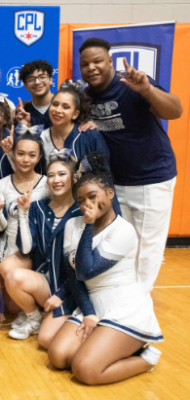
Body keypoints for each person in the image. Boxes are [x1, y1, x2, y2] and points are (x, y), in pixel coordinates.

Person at [47, 153, 163, 385]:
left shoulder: (124, 230)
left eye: (92, 196)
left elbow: (87, 269)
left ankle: (147, 357)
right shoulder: (72, 224)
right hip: (92, 304)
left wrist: (88, 226)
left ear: (110, 194)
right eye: (81, 200)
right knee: (58, 357)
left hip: (124, 308)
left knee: (85, 370)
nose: (86, 205)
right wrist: (89, 312)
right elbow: (75, 278)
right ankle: (110, 348)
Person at [79, 38, 183, 292]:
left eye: (97, 61)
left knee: (147, 247)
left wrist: (147, 89)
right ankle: (121, 295)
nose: (91, 67)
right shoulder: (86, 97)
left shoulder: (132, 84)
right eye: (85, 64)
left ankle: (136, 305)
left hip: (151, 177)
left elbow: (175, 111)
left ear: (110, 61)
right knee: (121, 242)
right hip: (116, 181)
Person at [5, 153, 81, 343]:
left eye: (62, 174)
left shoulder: (82, 210)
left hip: (71, 288)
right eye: (51, 175)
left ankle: (68, 318)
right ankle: (34, 319)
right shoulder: (38, 207)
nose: (56, 180)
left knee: (46, 340)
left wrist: (63, 294)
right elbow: (26, 248)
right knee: (14, 275)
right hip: (46, 282)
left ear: (73, 177)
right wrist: (23, 213)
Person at [0, 133, 49, 312]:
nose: (26, 159)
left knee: (15, 304)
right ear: (12, 154)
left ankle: (34, 314)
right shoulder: (2, 185)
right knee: (7, 303)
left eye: (32, 155)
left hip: (34, 251)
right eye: (20, 153)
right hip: (9, 248)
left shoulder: (47, 185)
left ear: (39, 158)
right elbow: (0, 227)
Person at [16, 60, 54, 128]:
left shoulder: (64, 106)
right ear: (25, 85)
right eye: (31, 79)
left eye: (42, 77)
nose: (37, 82)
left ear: (50, 80)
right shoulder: (23, 112)